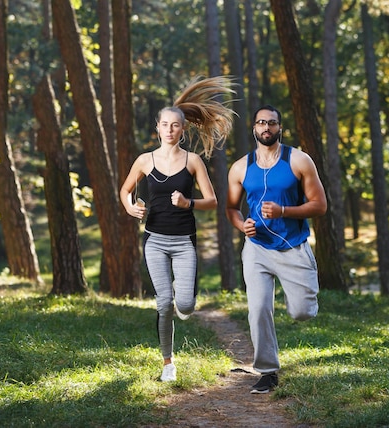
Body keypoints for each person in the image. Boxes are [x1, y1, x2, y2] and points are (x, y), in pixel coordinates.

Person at [120, 76, 235, 382]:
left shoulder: (193, 161)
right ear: (156, 128)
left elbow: (212, 200)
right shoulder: (144, 161)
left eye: (175, 125)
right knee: (162, 303)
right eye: (164, 125)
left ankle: (180, 301)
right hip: (155, 241)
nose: (169, 130)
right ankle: (167, 363)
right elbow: (125, 190)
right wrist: (131, 206)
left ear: (183, 130)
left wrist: (188, 203)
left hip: (184, 242)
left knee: (184, 305)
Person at [226, 104, 327, 393]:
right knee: (257, 309)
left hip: (292, 246)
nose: (266, 128)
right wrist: (240, 225)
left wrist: (283, 210)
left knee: (302, 313)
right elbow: (231, 208)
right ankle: (268, 372)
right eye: (260, 123)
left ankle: (301, 293)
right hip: (257, 247)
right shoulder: (240, 167)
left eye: (271, 123)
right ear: (254, 128)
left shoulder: (298, 160)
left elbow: (320, 206)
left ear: (279, 128)